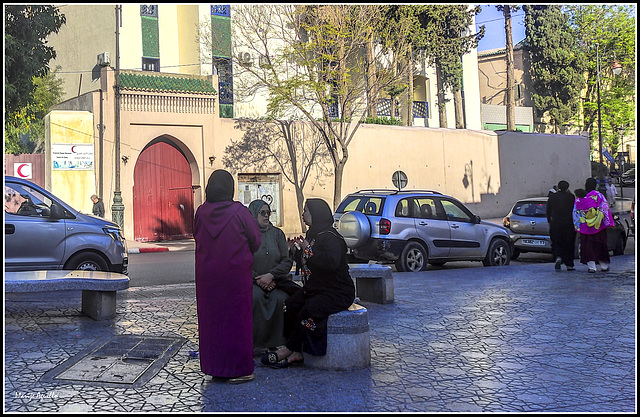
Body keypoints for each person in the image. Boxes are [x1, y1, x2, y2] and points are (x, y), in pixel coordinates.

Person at [261, 198, 355, 368]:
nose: (303, 214)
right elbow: (308, 262)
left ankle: (290, 350)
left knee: (309, 310)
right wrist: (294, 252)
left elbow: (330, 263)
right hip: (317, 289)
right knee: (290, 304)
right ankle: (294, 350)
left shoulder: (331, 237)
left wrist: (307, 250)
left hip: (337, 292)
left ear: (317, 214)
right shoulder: (313, 235)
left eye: (306, 211)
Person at [193, 169, 261, 384]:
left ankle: (216, 367)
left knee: (212, 322)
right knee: (237, 322)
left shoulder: (201, 212)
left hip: (208, 279)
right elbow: (256, 241)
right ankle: (240, 369)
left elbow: (197, 236)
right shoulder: (240, 212)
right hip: (235, 278)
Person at [248, 199, 299, 355]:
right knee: (255, 298)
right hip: (254, 282)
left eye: (268, 212)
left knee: (279, 299)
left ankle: (278, 343)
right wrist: (258, 279)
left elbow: (286, 260)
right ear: (252, 215)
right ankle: (257, 344)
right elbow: (243, 262)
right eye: (262, 213)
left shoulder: (277, 234)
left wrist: (271, 276)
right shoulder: (247, 236)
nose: (266, 216)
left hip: (276, 281)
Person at [573, 178, 615, 273]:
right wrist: (605, 222)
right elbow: (604, 210)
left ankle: (591, 266)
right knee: (600, 245)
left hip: (585, 228)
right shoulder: (599, 196)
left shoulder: (579, 199)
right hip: (598, 226)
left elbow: (576, 212)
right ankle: (603, 265)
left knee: (587, 246)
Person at [546, 180, 576, 271]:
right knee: (569, 243)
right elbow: (574, 210)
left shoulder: (552, 197)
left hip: (555, 223)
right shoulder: (571, 197)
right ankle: (569, 264)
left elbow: (548, 210)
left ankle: (558, 256)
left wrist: (549, 220)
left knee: (556, 241)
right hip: (568, 223)